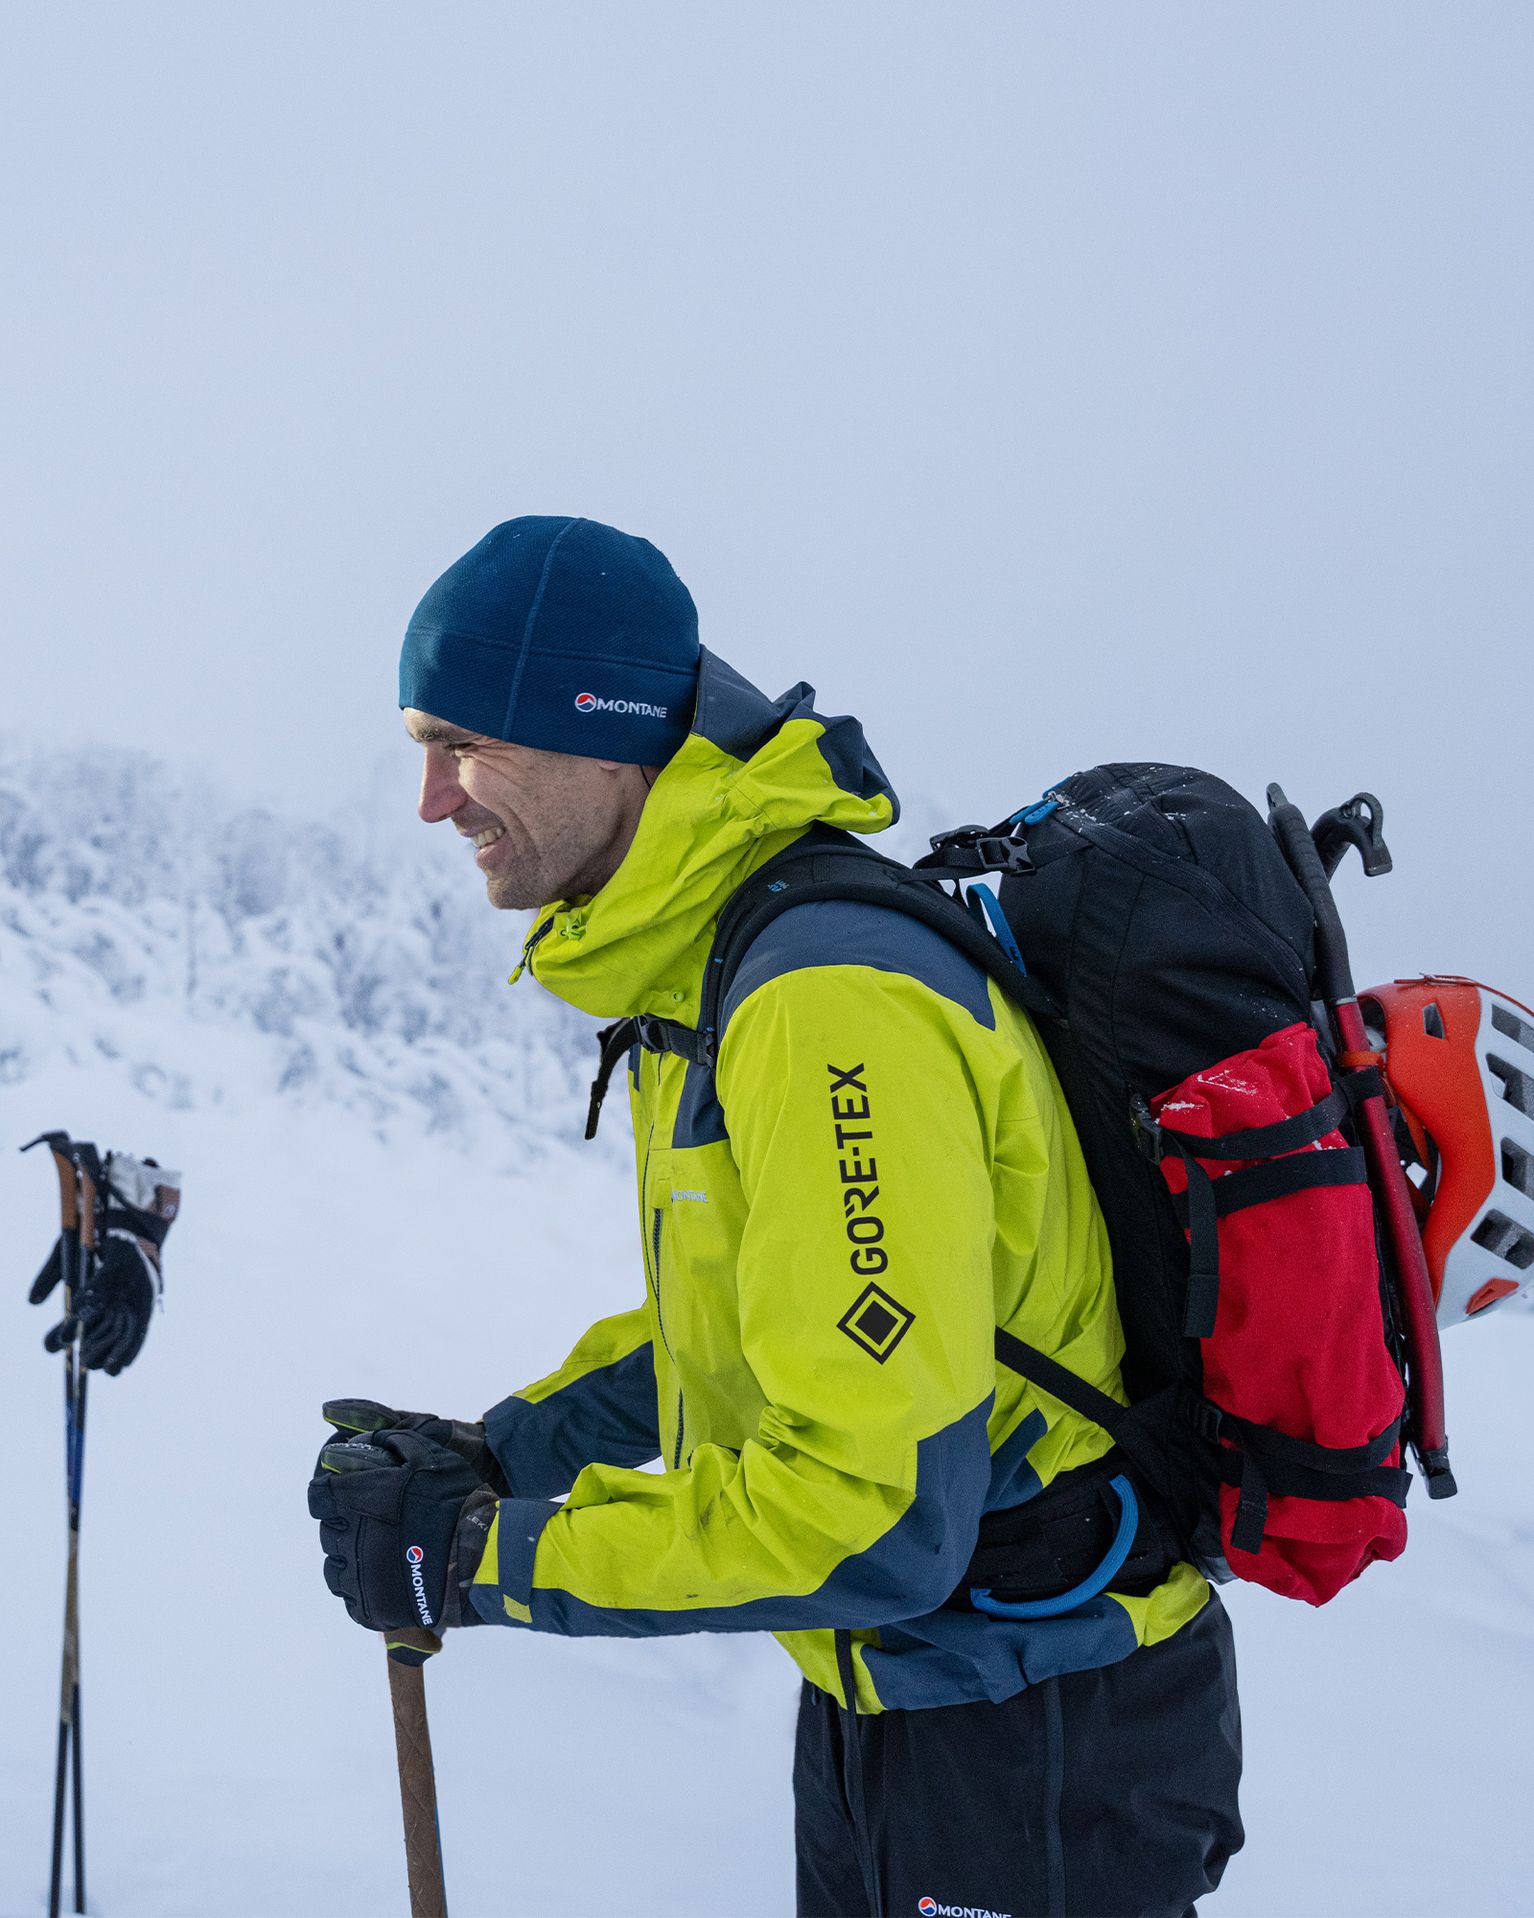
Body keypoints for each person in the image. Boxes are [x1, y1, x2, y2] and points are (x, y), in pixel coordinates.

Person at [308, 515, 1243, 1917]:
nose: (434, 799)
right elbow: (755, 1329)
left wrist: (486, 1554)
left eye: (462, 743)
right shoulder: (721, 966)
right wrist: (498, 1450)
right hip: (911, 1700)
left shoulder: (820, 1000)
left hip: (1035, 1734)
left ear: (599, 734)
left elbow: (868, 1523)